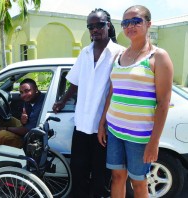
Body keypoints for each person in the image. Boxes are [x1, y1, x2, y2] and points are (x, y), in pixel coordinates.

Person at [97, 5, 173, 198]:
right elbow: (113, 91)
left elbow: (163, 103)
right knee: (117, 177)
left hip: (139, 136)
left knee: (139, 183)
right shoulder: (119, 56)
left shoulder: (158, 57)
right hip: (114, 130)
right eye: (125, 22)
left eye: (135, 21)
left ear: (148, 24)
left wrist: (154, 142)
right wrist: (102, 122)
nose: (130, 26)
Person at [52, 8, 124, 198]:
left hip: (104, 127)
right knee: (79, 171)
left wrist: (106, 122)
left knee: (101, 176)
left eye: (99, 25)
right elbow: (74, 81)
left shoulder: (119, 54)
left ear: (108, 24)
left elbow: (119, 89)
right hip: (82, 125)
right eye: (90, 26)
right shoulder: (85, 52)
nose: (94, 30)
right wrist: (62, 101)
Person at [0, 78, 45, 148]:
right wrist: (23, 121)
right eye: (21, 92)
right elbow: (25, 123)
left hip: (31, 139)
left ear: (36, 89)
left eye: (27, 91)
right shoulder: (29, 99)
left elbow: (27, 131)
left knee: (1, 135)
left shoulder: (41, 105)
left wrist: (5, 128)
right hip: (27, 128)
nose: (23, 95)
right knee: (8, 120)